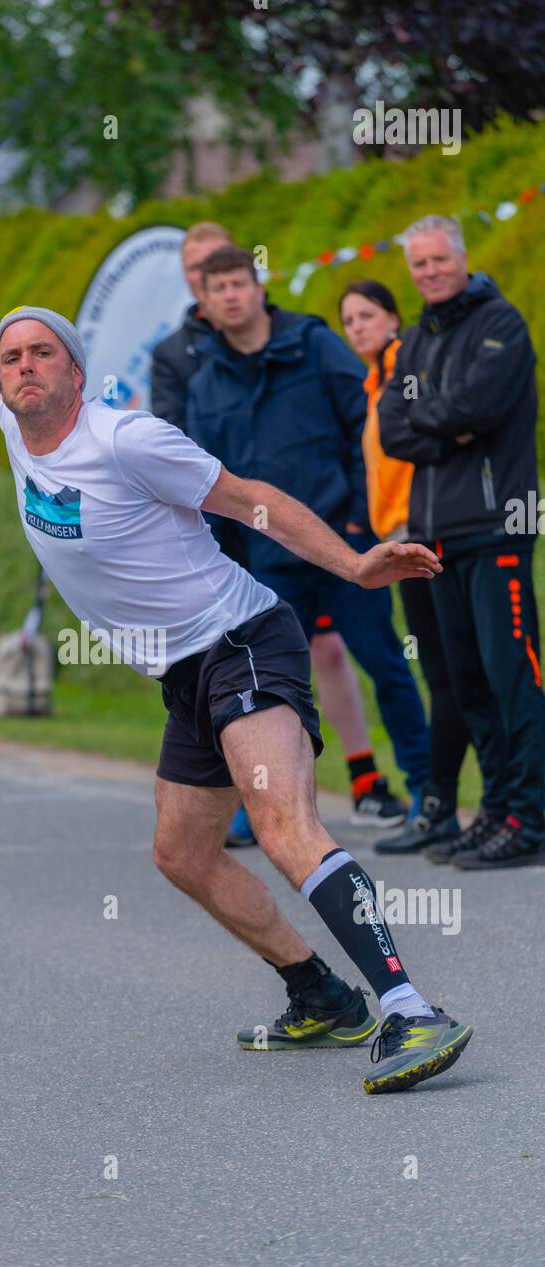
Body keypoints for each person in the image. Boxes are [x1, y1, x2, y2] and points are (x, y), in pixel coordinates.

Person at [0, 200, 472, 1095]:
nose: (20, 364)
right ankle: (318, 994)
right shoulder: (18, 425)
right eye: (11, 359)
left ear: (76, 373)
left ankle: (408, 1007)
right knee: (182, 854)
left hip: (241, 640)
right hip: (183, 674)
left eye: (42, 351)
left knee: (282, 826)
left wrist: (355, 565)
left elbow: (253, 499)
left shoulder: (125, 439)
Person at [152, 229, 408, 848]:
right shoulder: (187, 363)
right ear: (199, 294)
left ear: (256, 284)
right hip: (252, 550)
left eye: (235, 280)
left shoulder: (308, 341)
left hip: (333, 532)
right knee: (261, 679)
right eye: (207, 281)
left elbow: (359, 424)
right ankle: (256, 803)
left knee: (369, 658)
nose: (223, 291)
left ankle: (415, 788)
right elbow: (181, 459)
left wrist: (357, 519)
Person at [378, 215, 545, 869]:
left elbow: (477, 406)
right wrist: (445, 423)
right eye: (417, 264)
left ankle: (530, 820)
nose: (428, 273)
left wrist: (445, 418)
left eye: (437, 260)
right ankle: (496, 812)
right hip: (438, 536)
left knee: (512, 678)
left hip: (497, 528)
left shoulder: (500, 324)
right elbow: (393, 428)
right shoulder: (416, 339)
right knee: (467, 684)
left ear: (461, 258)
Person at [339, 280, 470, 853]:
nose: (356, 327)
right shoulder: (374, 382)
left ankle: (442, 804)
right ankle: (437, 805)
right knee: (439, 672)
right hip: (396, 538)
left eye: (367, 315)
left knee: (448, 673)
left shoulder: (405, 370)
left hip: (424, 532)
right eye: (348, 320)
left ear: (393, 318)